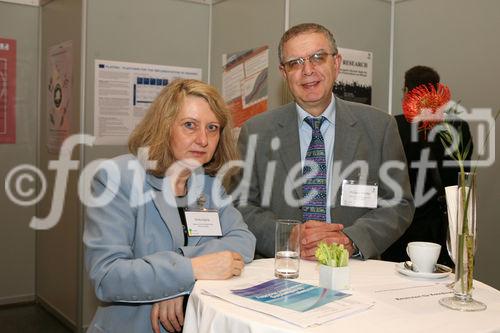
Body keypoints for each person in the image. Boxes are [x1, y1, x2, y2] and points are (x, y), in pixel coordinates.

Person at [84, 79, 256, 333]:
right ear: (164, 126)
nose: (203, 139)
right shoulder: (117, 178)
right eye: (190, 125)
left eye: (212, 128)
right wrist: (190, 270)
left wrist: (183, 279)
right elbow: (108, 276)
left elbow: (244, 239)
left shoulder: (208, 185)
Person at [232, 23, 414, 260]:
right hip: (282, 269)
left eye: (317, 57)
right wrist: (289, 235)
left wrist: (350, 240)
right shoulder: (256, 132)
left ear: (336, 63)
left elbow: (399, 204)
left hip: (354, 270)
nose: (307, 70)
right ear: (284, 73)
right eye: (295, 63)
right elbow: (240, 205)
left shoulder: (379, 127)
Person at [381, 66, 473, 265]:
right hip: (445, 224)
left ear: (406, 92)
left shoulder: (394, 126)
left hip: (400, 225)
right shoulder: (458, 127)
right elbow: (464, 175)